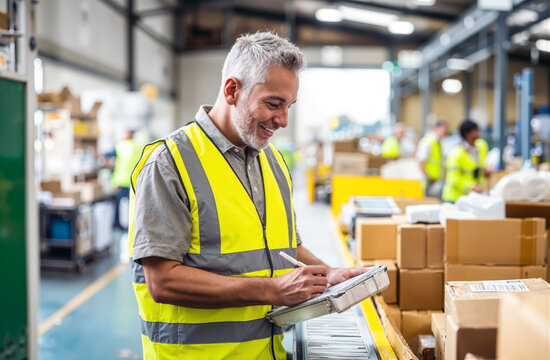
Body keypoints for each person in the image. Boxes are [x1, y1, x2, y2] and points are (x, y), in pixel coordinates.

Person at [128, 32, 368, 360]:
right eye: (273, 104)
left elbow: (286, 247)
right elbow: (162, 282)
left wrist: (329, 275)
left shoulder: (272, 161)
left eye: (288, 107)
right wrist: (272, 290)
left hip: (266, 351)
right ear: (232, 90)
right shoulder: (169, 163)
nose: (282, 120)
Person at [442, 119, 489, 202]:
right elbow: (454, 178)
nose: (478, 133)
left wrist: (484, 171)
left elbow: (477, 167)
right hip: (454, 198)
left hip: (471, 197)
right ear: (467, 134)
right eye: (475, 131)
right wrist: (471, 187)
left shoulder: (481, 147)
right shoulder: (456, 154)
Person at [104, 129, 141, 230]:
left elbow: (107, 155)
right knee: (133, 205)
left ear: (128, 134)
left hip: (121, 180)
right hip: (134, 181)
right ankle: (133, 225)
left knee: (118, 205)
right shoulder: (138, 146)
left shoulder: (121, 146)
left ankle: (117, 224)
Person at [415, 120, 448, 198]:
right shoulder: (427, 141)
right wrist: (428, 178)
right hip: (428, 182)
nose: (445, 133)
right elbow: (420, 162)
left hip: (436, 181)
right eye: (444, 130)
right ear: (436, 128)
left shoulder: (439, 142)